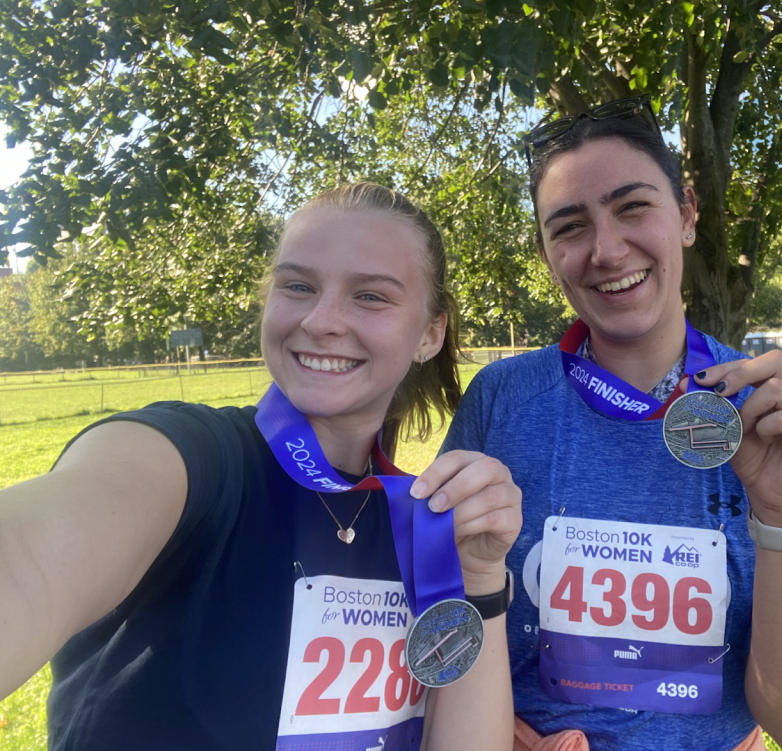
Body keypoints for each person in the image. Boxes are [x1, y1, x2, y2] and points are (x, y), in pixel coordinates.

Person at [0, 183, 522, 751]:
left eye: (370, 296)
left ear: (430, 333)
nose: (322, 321)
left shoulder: (424, 525)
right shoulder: (195, 459)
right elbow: (29, 562)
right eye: (298, 286)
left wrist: (480, 580)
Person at [441, 97, 782, 751]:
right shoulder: (499, 401)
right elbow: (443, 639)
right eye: (570, 226)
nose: (607, 250)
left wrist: (778, 509)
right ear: (547, 251)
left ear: (687, 214)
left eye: (633, 206)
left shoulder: (777, 416)